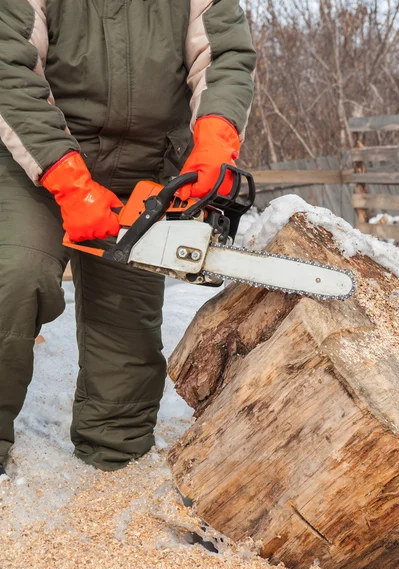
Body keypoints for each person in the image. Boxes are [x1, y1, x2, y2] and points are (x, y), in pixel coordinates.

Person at [0, 0, 256, 474]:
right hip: (37, 157)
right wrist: (69, 181)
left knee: (127, 336)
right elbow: (9, 70)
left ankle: (115, 469)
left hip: (147, 167)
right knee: (16, 275)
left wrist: (214, 139)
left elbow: (224, 58)